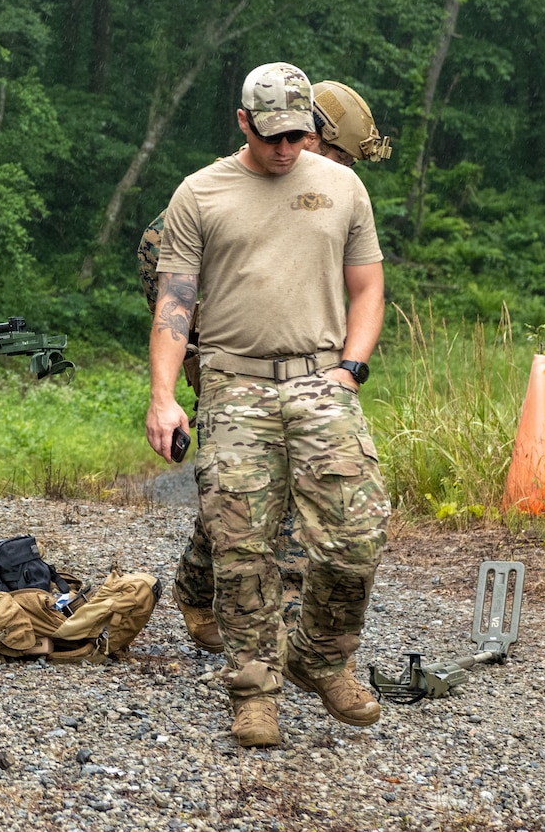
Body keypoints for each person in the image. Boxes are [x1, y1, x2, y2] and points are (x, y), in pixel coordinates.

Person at [147, 63, 390, 748]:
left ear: (312, 126)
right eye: (272, 135)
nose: (286, 149)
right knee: (241, 546)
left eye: (298, 134)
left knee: (356, 534)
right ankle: (255, 688)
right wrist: (165, 396)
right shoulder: (201, 193)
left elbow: (368, 288)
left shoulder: (342, 185)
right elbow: (174, 304)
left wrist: (351, 367)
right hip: (235, 380)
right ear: (244, 123)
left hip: (320, 379)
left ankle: (318, 655)